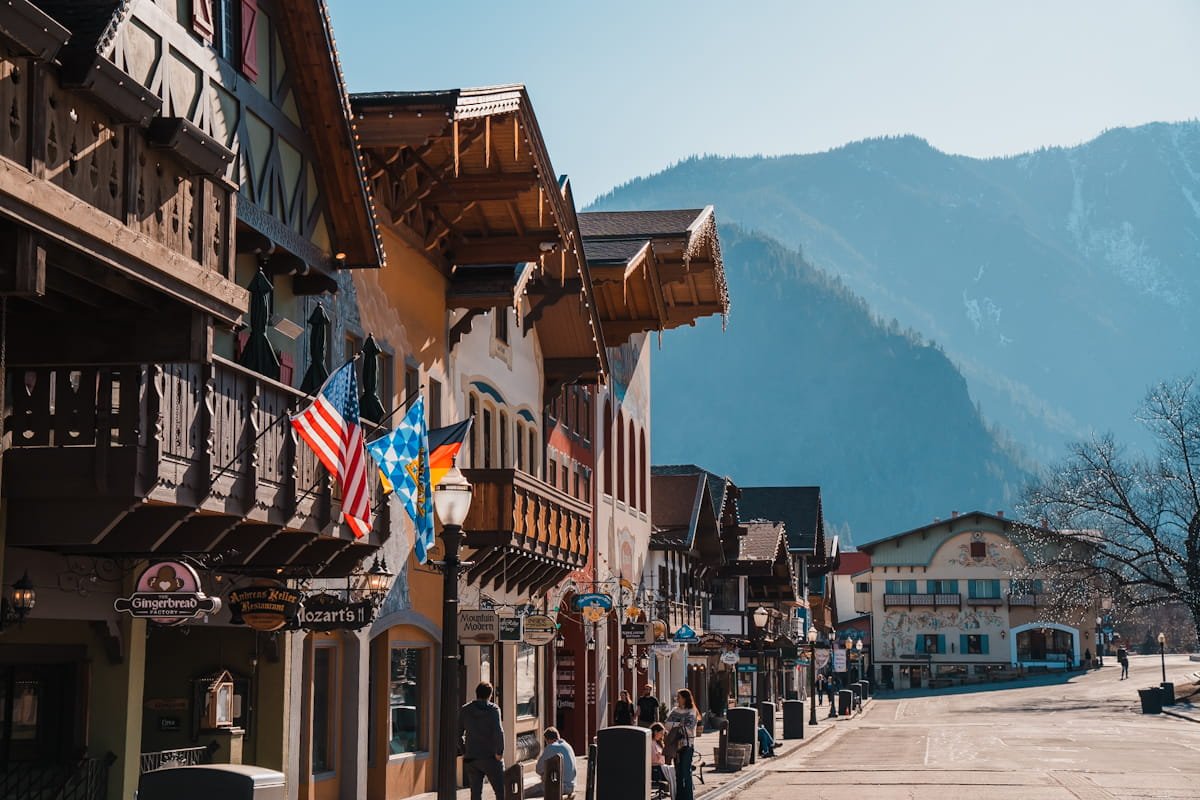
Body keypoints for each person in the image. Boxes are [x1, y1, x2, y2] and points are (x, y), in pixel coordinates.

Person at [459, 682, 504, 800]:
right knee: (501, 791)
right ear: (490, 695)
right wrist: (499, 752)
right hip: (491, 757)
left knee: (475, 794)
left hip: (472, 757)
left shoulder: (465, 709)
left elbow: (457, 734)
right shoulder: (494, 710)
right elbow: (499, 732)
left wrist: (464, 751)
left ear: (476, 693)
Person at [665, 689, 698, 800]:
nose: (677, 699)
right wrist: (680, 723)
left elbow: (690, 727)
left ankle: (688, 797)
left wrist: (676, 724)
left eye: (678, 697)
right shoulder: (675, 710)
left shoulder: (692, 710)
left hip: (687, 745)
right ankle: (679, 797)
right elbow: (667, 725)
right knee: (678, 773)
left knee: (685, 772)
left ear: (684, 698)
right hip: (676, 746)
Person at [535, 726, 577, 797]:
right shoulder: (568, 746)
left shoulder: (551, 747)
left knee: (529, 791)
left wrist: (543, 774)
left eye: (546, 741)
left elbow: (538, 769)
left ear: (548, 740)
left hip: (561, 786)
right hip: (572, 786)